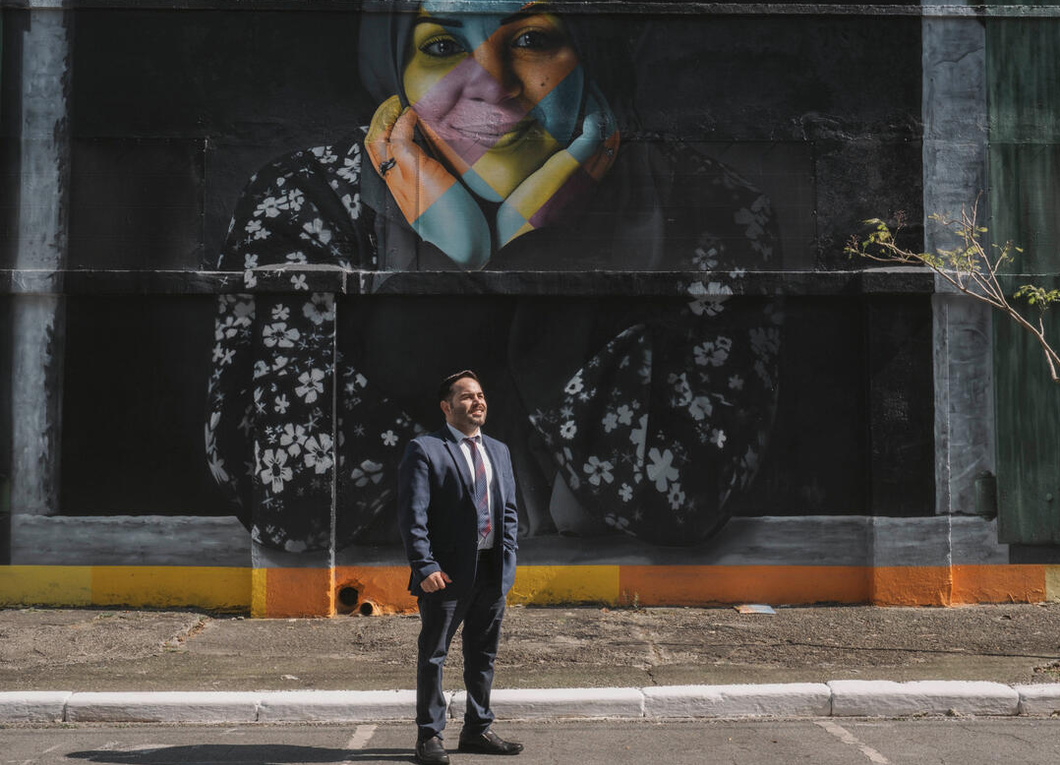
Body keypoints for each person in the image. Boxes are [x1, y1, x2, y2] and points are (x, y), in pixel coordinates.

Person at [205, 0, 783, 555]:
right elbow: (292, 504)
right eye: (442, 45)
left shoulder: (711, 206)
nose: (492, 84)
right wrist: (459, 266)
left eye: (532, 39)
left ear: (591, 53)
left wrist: (537, 250)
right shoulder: (302, 202)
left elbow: (685, 501)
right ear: (394, 71)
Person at [399, 370, 521, 764]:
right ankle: (429, 736)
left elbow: (510, 512)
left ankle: (477, 729)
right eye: (467, 396)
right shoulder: (426, 449)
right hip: (445, 575)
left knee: (483, 655)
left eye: (481, 395)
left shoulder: (498, 450)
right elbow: (412, 516)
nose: (477, 402)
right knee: (434, 654)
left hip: (491, 570)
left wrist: (508, 554)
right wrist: (424, 565)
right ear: (446, 406)